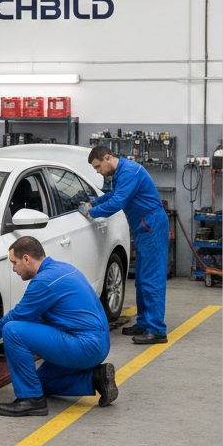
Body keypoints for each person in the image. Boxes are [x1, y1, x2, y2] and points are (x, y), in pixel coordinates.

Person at [0, 236, 118, 417]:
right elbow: (41, 318)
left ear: (26, 259)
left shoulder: (43, 282)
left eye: (14, 263)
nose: (14, 269)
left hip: (84, 345)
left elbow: (17, 316)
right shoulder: (64, 268)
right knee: (38, 381)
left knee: (12, 330)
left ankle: (31, 400)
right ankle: (96, 378)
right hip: (98, 343)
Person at [81, 145, 170, 345]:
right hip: (143, 227)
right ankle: (145, 323)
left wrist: (92, 212)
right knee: (141, 280)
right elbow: (114, 195)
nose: (97, 171)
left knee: (151, 279)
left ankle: (156, 330)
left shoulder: (129, 171)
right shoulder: (122, 172)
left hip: (151, 227)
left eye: (97, 167)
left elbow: (118, 202)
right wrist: (94, 202)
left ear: (107, 157)